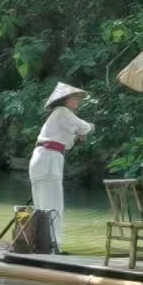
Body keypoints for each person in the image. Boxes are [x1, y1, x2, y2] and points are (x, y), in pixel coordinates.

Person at [27, 82, 93, 251]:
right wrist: (90, 128)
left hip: (42, 159)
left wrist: (78, 137)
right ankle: (53, 246)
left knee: (42, 206)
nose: (78, 101)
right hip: (49, 160)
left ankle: (40, 244)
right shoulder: (62, 111)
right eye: (75, 98)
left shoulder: (58, 116)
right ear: (66, 100)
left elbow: (68, 143)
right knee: (54, 205)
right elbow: (83, 127)